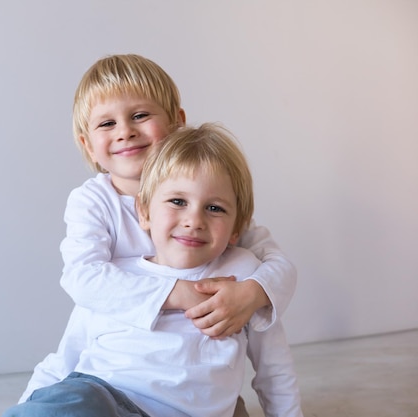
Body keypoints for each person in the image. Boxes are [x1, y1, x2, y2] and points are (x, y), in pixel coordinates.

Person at [17, 54, 297, 414]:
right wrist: (176, 292)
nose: (125, 132)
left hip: (190, 383)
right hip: (112, 374)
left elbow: (279, 267)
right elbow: (82, 288)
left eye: (140, 115)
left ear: (177, 121)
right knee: (68, 402)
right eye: (107, 123)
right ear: (87, 144)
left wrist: (252, 293)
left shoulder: (215, 199)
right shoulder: (94, 203)